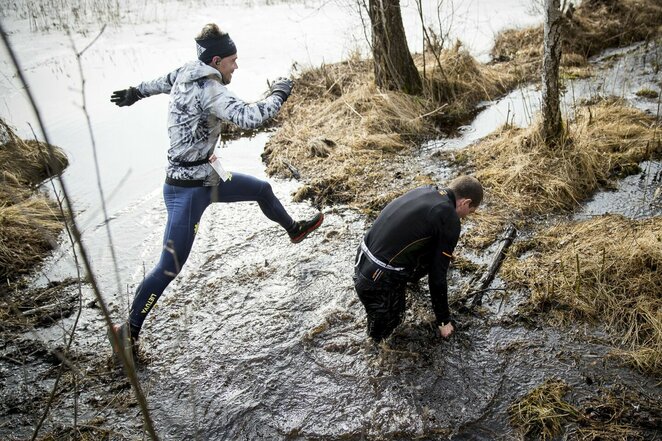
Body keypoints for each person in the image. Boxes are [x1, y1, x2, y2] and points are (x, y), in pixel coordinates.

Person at [107, 23, 323, 363]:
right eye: (233, 61)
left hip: (208, 178)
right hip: (188, 191)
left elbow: (156, 83)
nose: (236, 67)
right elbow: (251, 117)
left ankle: (293, 230)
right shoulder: (211, 90)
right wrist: (279, 93)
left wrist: (135, 92)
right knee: (169, 266)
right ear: (217, 60)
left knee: (263, 189)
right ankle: (128, 331)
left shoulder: (184, 72)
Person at [353, 176, 483, 343]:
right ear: (465, 202)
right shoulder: (449, 219)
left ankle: (407, 283)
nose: (466, 217)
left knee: (430, 250)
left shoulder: (427, 190)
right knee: (385, 336)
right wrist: (444, 321)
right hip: (377, 282)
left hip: (362, 261)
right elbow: (437, 277)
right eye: (470, 211)